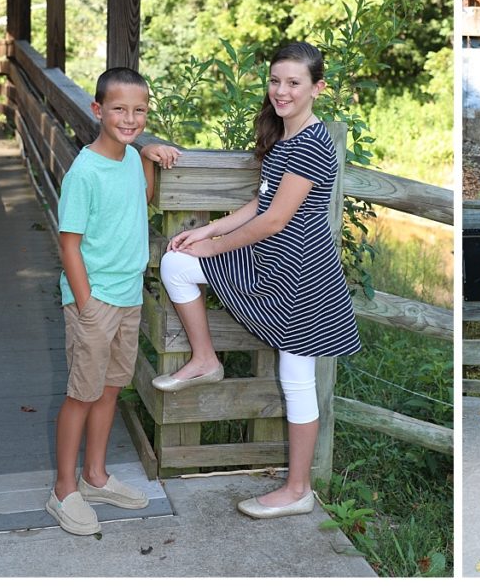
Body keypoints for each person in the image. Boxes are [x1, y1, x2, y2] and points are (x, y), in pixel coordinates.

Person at [153, 41, 361, 518]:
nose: (281, 91)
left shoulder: (311, 143)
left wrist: (214, 246)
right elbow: (260, 205)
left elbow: (273, 222)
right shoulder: (287, 138)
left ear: (317, 88)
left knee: (297, 379)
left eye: (293, 83)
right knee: (178, 263)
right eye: (275, 81)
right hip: (273, 265)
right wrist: (208, 228)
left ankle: (297, 490)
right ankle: (206, 359)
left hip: (301, 275)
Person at [49, 67, 181, 535]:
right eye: (120, 109)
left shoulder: (128, 157)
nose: (130, 117)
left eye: (139, 110)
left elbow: (142, 195)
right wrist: (85, 304)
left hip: (127, 296)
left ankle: (95, 476)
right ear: (98, 110)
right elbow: (69, 244)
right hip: (95, 300)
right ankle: (64, 490)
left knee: (109, 389)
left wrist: (146, 150)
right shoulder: (84, 172)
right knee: (81, 394)